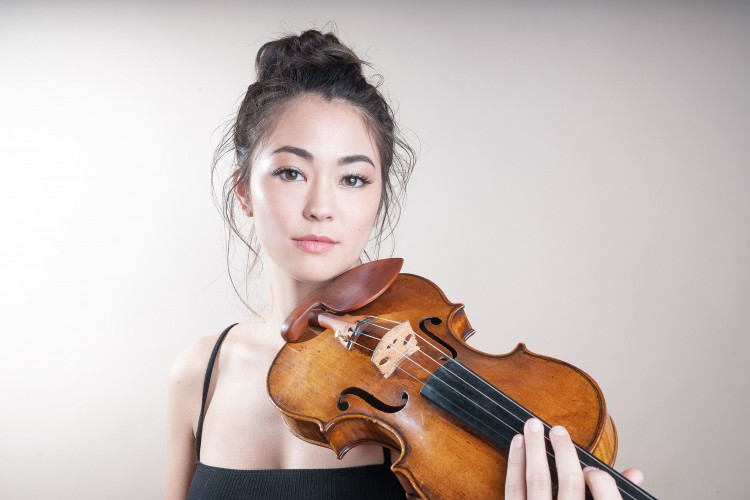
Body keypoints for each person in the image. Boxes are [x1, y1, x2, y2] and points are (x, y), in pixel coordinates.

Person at [166, 28, 643, 499]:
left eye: (353, 179)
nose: (321, 206)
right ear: (244, 191)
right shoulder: (198, 374)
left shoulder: (426, 373)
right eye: (291, 172)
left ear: (378, 199)